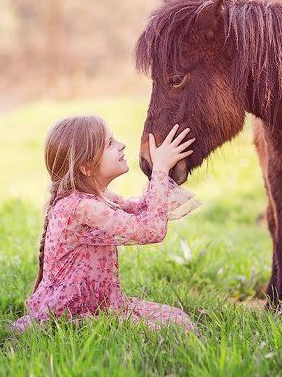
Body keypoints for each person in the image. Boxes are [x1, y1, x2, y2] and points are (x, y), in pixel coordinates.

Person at [11, 116, 200, 332]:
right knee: (175, 330)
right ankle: (76, 329)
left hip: (103, 306)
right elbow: (151, 230)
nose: (122, 146)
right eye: (110, 143)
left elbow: (143, 211)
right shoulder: (80, 208)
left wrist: (160, 166)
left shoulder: (97, 197)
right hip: (74, 314)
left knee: (178, 320)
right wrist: (159, 171)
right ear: (86, 167)